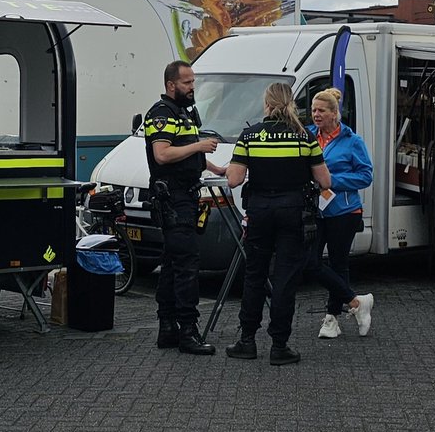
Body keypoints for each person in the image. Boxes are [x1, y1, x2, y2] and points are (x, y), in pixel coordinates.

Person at [224, 82, 375, 365]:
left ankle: (246, 341)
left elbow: (233, 179)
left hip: (259, 213)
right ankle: (279, 346)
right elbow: (325, 181)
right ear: (291, 104)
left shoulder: (249, 135)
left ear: (267, 104)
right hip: (293, 215)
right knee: (285, 280)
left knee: (255, 277)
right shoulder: (304, 137)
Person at [144, 61, 225, 355]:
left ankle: (167, 328)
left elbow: (189, 153)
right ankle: (188, 332)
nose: (193, 87)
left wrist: (217, 168)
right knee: (187, 265)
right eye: (187, 83)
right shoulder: (161, 114)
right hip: (173, 199)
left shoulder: (185, 114)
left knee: (172, 264)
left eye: (193, 82)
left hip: (186, 196)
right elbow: (163, 154)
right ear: (171, 85)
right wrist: (199, 147)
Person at [307, 86, 374, 340]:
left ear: (335, 113)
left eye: (321, 110)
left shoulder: (352, 140)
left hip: (344, 211)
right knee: (310, 261)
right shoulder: (309, 135)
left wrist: (331, 180)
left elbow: (365, 175)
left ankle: (331, 318)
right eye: (313, 110)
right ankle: (356, 302)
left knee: (338, 263)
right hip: (316, 210)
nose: (316, 115)